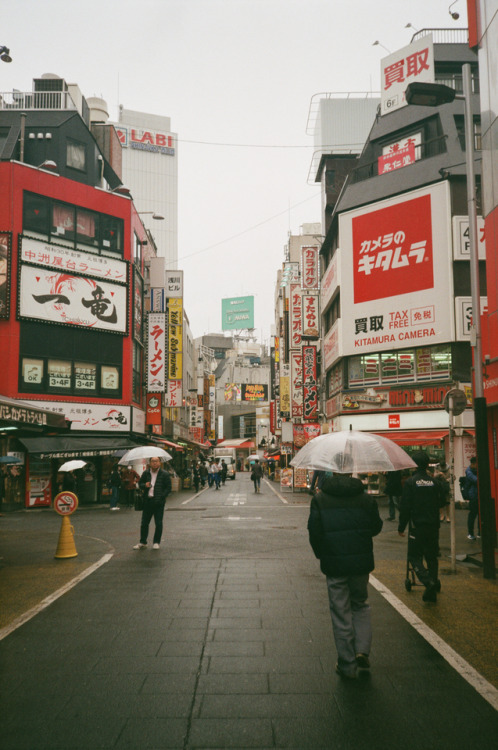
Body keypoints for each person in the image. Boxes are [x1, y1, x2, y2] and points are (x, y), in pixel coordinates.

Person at [308, 453, 383, 679]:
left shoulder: (321, 498)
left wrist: (323, 555)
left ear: (332, 469)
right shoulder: (365, 498)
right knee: (360, 604)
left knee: (341, 612)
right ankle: (362, 650)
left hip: (334, 563)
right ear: (352, 470)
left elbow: (315, 532)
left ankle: (347, 664)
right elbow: (376, 527)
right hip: (360, 563)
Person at [398, 451, 447, 602]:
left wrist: (401, 527)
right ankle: (432, 586)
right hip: (433, 525)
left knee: (414, 556)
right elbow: (442, 501)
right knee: (432, 557)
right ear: (427, 465)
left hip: (417, 526)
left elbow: (405, 507)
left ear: (414, 465)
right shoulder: (435, 483)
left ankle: (428, 582)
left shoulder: (411, 483)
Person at [134, 457, 172, 550]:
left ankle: (156, 542)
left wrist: (162, 496)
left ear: (160, 463)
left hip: (159, 502)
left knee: (158, 523)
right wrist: (144, 485)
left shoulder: (164, 474)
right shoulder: (146, 473)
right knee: (144, 523)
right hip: (148, 501)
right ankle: (143, 542)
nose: (154, 463)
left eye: (156, 461)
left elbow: (168, 487)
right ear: (150, 463)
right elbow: (140, 483)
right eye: (152, 461)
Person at [466, 456, 480, 540]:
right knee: (473, 514)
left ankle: (480, 532)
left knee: (480, 514)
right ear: (473, 464)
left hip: (478, 495)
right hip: (473, 496)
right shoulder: (469, 472)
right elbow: (476, 480)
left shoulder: (475, 470)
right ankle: (470, 533)